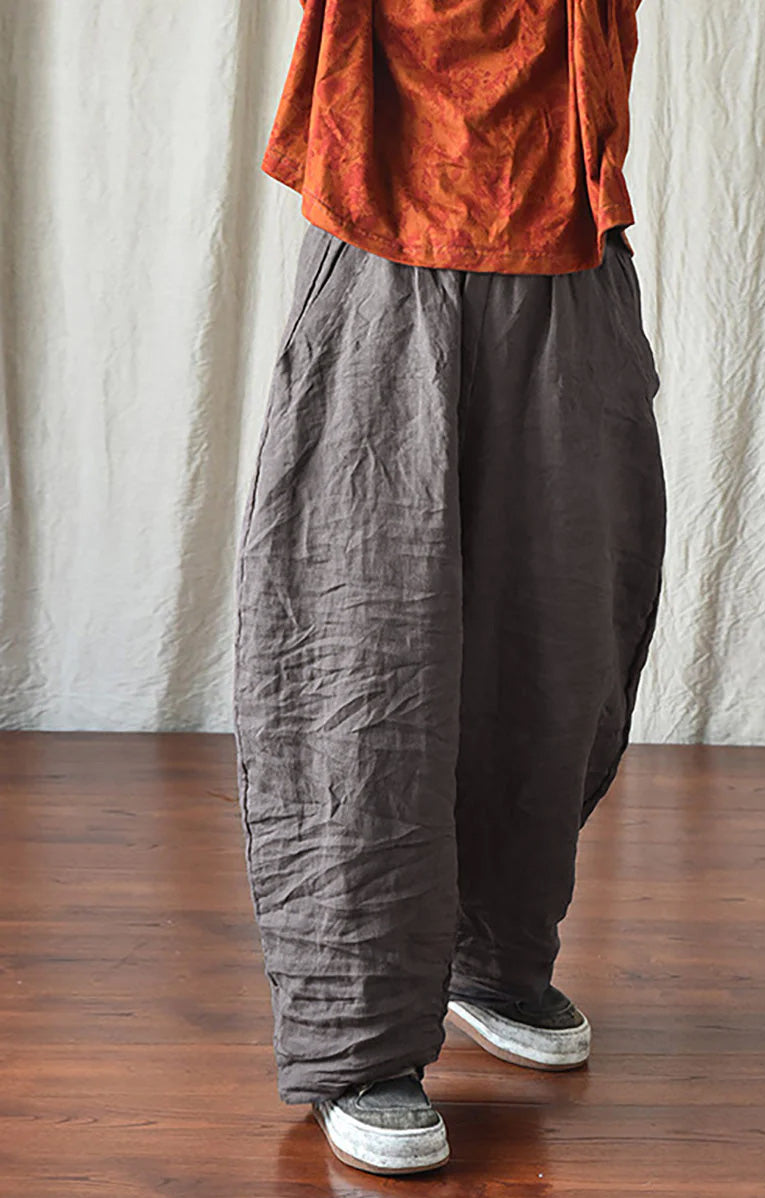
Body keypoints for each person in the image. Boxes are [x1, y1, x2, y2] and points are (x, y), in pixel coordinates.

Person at [232, 0, 665, 1177]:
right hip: (388, 240)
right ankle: (361, 1035)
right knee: (363, 647)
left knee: (559, 638)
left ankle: (495, 953)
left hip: (564, 242)